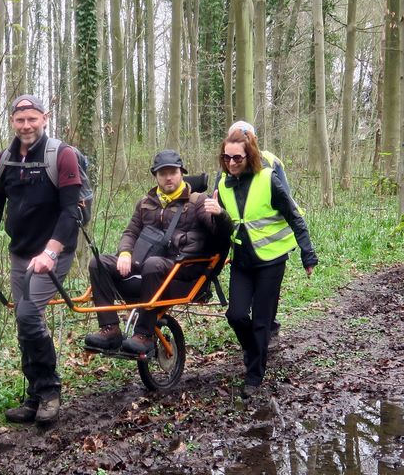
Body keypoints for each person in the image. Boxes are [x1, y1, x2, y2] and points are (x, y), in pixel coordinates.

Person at [0, 94, 81, 424]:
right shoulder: (3, 160)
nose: (26, 126)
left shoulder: (62, 155)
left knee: (29, 315)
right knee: (24, 324)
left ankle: (50, 392)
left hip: (54, 252)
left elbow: (72, 210)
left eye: (32, 119)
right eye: (20, 120)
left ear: (44, 118)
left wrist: (50, 252)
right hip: (20, 253)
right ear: (12, 122)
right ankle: (34, 396)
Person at [84, 150, 232, 354]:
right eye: (163, 173)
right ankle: (110, 329)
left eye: (172, 172)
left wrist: (220, 214)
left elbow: (221, 233)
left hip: (182, 270)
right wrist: (125, 252)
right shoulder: (146, 203)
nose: (168, 177)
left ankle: (144, 335)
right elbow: (130, 232)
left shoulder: (197, 202)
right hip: (146, 266)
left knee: (153, 263)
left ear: (182, 173)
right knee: (98, 262)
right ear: (156, 176)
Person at [216, 128, 318, 398]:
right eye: (227, 158)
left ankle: (253, 376)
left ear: (249, 156)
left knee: (262, 322)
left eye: (237, 158)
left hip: (271, 261)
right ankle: (255, 350)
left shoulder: (267, 179)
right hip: (241, 260)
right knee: (235, 315)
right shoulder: (223, 184)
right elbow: (224, 222)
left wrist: (308, 253)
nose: (232, 163)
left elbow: (294, 216)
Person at [227, 120, 292, 343]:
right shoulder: (230, 163)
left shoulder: (271, 161)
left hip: (271, 242)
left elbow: (286, 199)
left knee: (266, 296)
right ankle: (258, 337)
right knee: (243, 302)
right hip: (243, 245)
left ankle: (269, 328)